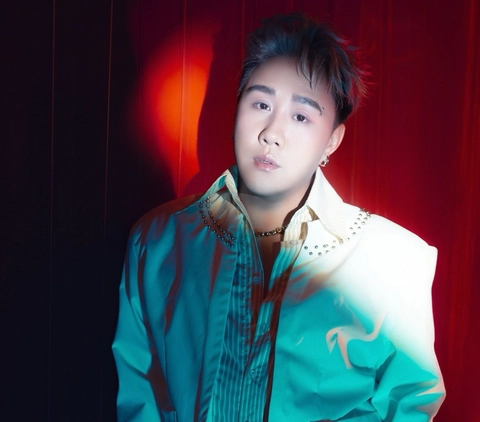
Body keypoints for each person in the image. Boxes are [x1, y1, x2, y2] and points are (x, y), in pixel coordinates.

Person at [112, 13, 445, 421]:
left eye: (301, 116)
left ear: (332, 140)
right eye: (261, 104)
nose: (272, 132)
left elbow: (410, 406)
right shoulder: (158, 241)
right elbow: (140, 396)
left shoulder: (395, 261)